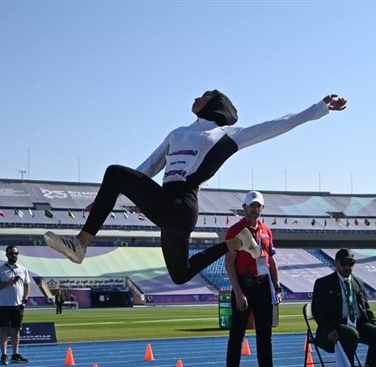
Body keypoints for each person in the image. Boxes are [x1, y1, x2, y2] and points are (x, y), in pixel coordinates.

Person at [44, 91, 347, 284]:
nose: (196, 96)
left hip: (183, 206)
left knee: (113, 171)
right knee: (180, 274)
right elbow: (148, 168)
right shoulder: (177, 132)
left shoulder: (227, 134)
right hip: (166, 202)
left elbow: (278, 124)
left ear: (215, 104)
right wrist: (105, 199)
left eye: (204, 95)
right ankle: (233, 243)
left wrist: (319, 108)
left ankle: (81, 243)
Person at [223, 191, 287, 367]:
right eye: (251, 206)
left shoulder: (267, 231)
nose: (254, 210)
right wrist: (238, 292)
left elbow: (272, 260)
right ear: (244, 208)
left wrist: (276, 286)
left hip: (263, 287)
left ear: (262, 208)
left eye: (258, 206)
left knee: (265, 336)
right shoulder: (235, 231)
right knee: (237, 335)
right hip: (244, 287)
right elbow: (229, 263)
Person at [311, 248, 376, 367]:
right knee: (352, 334)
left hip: (357, 322)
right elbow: (317, 311)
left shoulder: (358, 282)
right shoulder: (323, 283)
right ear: (336, 263)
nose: (347, 267)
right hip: (335, 325)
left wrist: (374, 325)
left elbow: (366, 308)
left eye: (351, 263)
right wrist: (328, 330)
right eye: (344, 263)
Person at [0, 245, 31, 365]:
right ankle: (3, 355)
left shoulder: (23, 269)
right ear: (6, 255)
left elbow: (27, 285)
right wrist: (8, 283)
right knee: (3, 330)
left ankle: (15, 354)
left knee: (16, 330)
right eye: (11, 253)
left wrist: (25, 299)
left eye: (15, 253)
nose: (13, 255)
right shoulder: (0, 270)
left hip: (18, 305)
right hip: (4, 304)